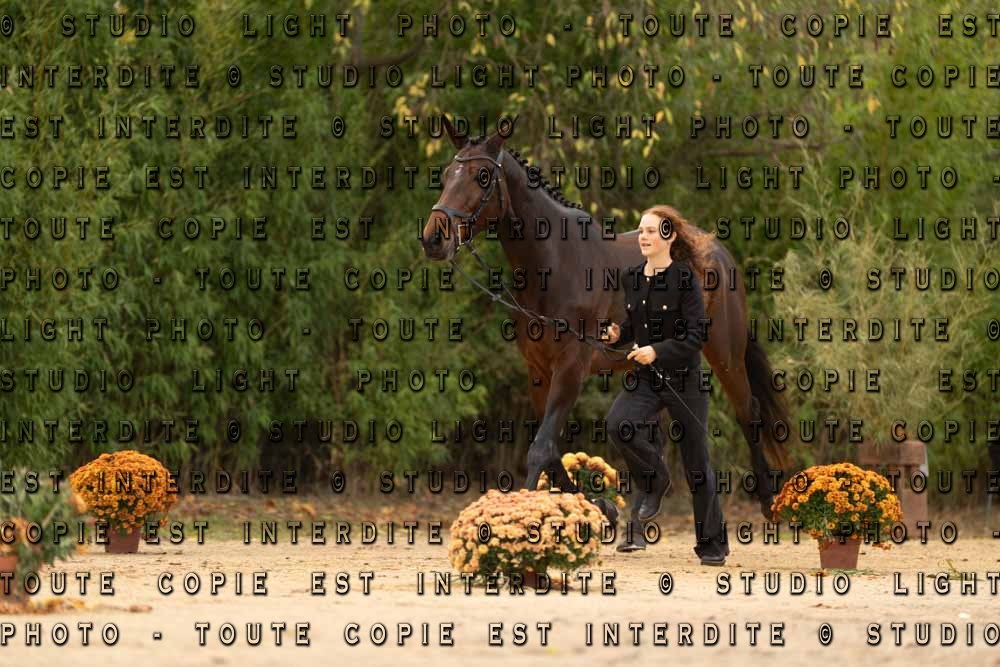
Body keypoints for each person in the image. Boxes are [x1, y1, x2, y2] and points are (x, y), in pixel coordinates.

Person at [601, 205, 730, 566]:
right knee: (618, 424)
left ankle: (712, 545)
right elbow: (635, 325)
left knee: (696, 461)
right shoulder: (632, 277)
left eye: (650, 231)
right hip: (647, 379)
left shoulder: (685, 279)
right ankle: (655, 479)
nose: (642, 237)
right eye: (640, 230)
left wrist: (656, 350)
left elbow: (695, 336)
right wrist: (617, 335)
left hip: (684, 381)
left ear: (669, 237)